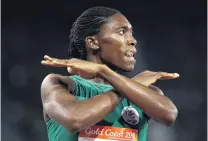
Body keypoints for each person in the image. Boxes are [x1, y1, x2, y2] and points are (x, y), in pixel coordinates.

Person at [41, 6, 179, 141]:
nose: (133, 40)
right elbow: (75, 119)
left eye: (131, 33)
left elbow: (169, 114)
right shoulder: (60, 84)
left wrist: (104, 72)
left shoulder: (143, 92)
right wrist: (127, 85)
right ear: (93, 42)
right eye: (121, 32)